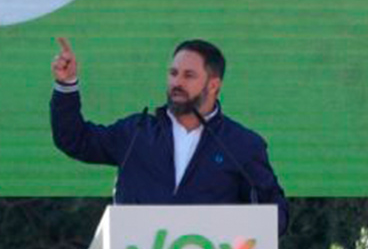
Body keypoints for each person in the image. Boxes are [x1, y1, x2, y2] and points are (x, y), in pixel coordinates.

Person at [50, 37, 289, 236]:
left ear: (213, 85)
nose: (177, 82)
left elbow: (275, 215)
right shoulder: (137, 132)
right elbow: (73, 139)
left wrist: (232, 228)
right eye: (173, 73)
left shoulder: (242, 145)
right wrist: (67, 84)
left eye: (188, 75)